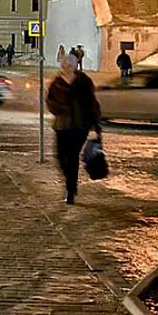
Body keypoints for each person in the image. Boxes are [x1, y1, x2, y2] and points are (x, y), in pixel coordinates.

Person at [46, 52, 102, 205]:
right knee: (59, 156)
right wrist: (60, 109)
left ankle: (70, 190)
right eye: (64, 65)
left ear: (75, 66)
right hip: (61, 125)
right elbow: (50, 102)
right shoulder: (57, 83)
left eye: (70, 65)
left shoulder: (83, 81)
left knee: (72, 156)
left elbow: (92, 102)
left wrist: (96, 124)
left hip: (80, 125)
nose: (66, 67)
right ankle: (70, 181)